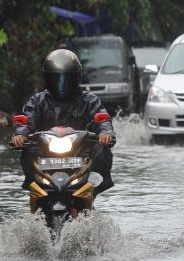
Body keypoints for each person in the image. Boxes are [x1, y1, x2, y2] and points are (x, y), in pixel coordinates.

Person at [11, 49, 115, 196]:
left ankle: (94, 187)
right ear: (47, 79)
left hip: (80, 153)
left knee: (102, 149)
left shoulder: (90, 101)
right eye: (56, 78)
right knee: (28, 151)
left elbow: (102, 118)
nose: (61, 84)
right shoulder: (36, 101)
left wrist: (105, 133)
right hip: (45, 153)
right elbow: (26, 121)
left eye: (67, 78)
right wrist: (20, 135)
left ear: (76, 78)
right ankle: (34, 186)